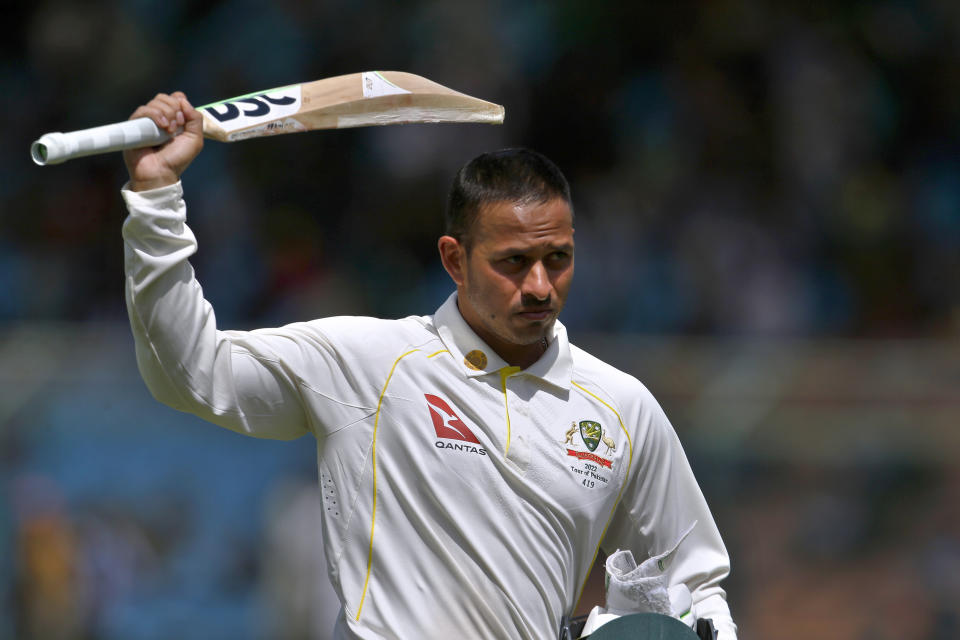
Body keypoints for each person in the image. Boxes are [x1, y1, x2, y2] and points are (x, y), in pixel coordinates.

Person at [120, 92, 738, 639]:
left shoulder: (622, 405)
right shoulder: (364, 363)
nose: (541, 286)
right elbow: (190, 370)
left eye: (559, 257)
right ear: (454, 259)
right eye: (515, 262)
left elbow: (698, 584)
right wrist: (155, 199)